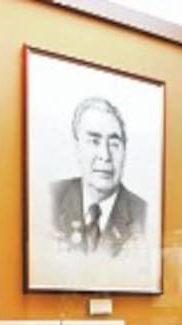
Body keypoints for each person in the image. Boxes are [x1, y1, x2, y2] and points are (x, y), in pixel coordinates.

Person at [49, 96, 147, 258]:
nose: (105, 155)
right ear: (77, 148)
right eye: (94, 141)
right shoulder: (48, 199)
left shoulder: (145, 217)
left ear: (125, 151)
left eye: (114, 144)